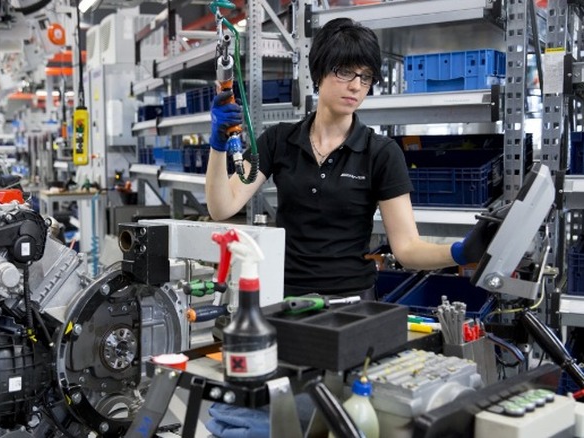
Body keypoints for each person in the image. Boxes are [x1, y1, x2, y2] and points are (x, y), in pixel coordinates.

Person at [206, 17, 496, 299]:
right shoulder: (279, 140)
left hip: (351, 303)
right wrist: (218, 145)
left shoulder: (380, 152)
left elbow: (406, 248)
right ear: (319, 73)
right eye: (345, 72)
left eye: (365, 76)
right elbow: (222, 207)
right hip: (286, 298)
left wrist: (460, 252)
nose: (356, 86)